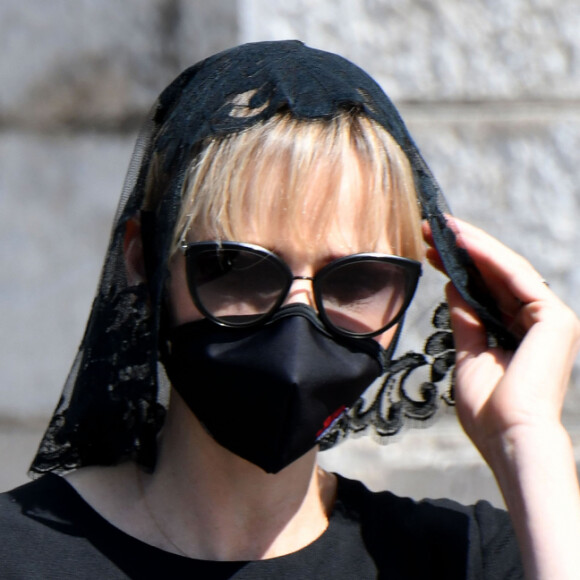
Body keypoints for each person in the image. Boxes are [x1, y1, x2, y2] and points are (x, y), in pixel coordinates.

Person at [1, 40, 579, 579]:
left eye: (357, 279)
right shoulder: (17, 552)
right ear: (145, 265)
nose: (298, 324)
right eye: (239, 268)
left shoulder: (468, 556)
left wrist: (528, 439)